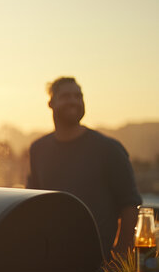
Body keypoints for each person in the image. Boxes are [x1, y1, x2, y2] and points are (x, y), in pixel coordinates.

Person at [27, 76, 141, 262]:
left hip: (96, 266)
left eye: (78, 96)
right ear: (51, 103)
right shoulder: (38, 149)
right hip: (49, 262)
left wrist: (119, 258)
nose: (73, 101)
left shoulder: (108, 148)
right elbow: (33, 203)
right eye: (66, 96)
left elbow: (130, 205)